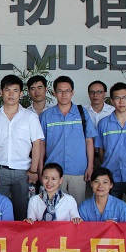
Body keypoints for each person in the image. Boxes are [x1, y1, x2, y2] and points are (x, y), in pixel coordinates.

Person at [0, 75, 44, 220]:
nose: (11, 94)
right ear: (1, 92)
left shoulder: (30, 117)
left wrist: (34, 170)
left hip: (23, 172)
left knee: (22, 210)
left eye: (15, 90)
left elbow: (37, 145)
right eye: (7, 90)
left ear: (21, 93)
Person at [39, 76, 97, 204]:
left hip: (78, 170)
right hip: (53, 172)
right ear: (54, 93)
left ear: (72, 92)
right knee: (53, 208)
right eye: (60, 91)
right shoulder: (46, 115)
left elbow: (89, 141)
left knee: (77, 207)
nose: (64, 94)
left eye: (67, 91)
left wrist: (90, 166)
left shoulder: (82, 113)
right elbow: (41, 144)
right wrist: (40, 168)